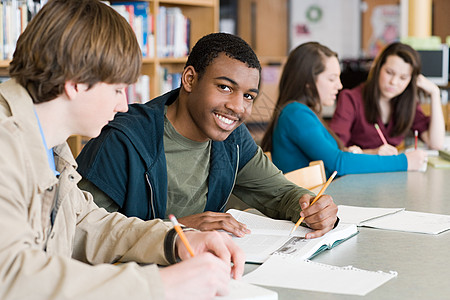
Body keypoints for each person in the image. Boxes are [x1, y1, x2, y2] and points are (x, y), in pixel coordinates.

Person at [0, 1, 245, 299]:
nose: (123, 105)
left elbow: (86, 223)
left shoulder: (48, 143)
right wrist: (163, 285)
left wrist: (176, 241)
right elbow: (12, 277)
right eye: (117, 90)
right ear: (76, 83)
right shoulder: (6, 144)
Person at [76, 33, 338, 240]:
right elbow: (81, 232)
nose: (237, 107)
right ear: (189, 79)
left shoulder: (233, 139)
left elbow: (281, 194)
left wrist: (312, 207)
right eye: (225, 87)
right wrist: (176, 230)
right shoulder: (123, 141)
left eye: (248, 96)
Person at [260, 42, 426, 176]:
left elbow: (335, 157)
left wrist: (364, 153)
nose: (339, 86)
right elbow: (337, 162)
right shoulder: (296, 114)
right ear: (308, 82)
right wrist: (404, 162)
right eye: (332, 79)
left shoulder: (302, 113)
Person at [329, 42, 445, 155]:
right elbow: (333, 151)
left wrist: (435, 93)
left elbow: (435, 144)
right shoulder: (350, 99)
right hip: (357, 172)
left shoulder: (407, 103)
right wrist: (373, 153)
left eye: (403, 78)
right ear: (378, 68)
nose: (394, 82)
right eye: (389, 72)